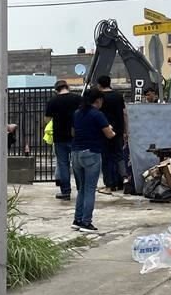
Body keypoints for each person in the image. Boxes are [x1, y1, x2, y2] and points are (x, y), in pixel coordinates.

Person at [70, 88, 115, 232]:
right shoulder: (97, 114)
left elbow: (73, 132)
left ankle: (77, 220)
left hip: (76, 153)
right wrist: (112, 130)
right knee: (90, 189)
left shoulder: (77, 113)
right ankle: (86, 222)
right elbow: (109, 134)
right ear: (98, 100)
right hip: (92, 153)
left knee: (82, 188)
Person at [44, 80, 81, 200]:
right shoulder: (77, 99)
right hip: (76, 136)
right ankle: (81, 189)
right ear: (67, 87)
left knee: (63, 164)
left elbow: (47, 119)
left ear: (56, 90)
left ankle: (65, 192)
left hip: (59, 136)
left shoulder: (53, 101)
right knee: (77, 164)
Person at [96, 75, 128, 192]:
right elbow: (124, 113)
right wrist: (125, 131)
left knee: (106, 158)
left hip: (103, 131)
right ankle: (122, 180)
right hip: (118, 131)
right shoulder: (118, 96)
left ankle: (109, 185)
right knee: (118, 156)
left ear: (99, 84)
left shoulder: (99, 97)